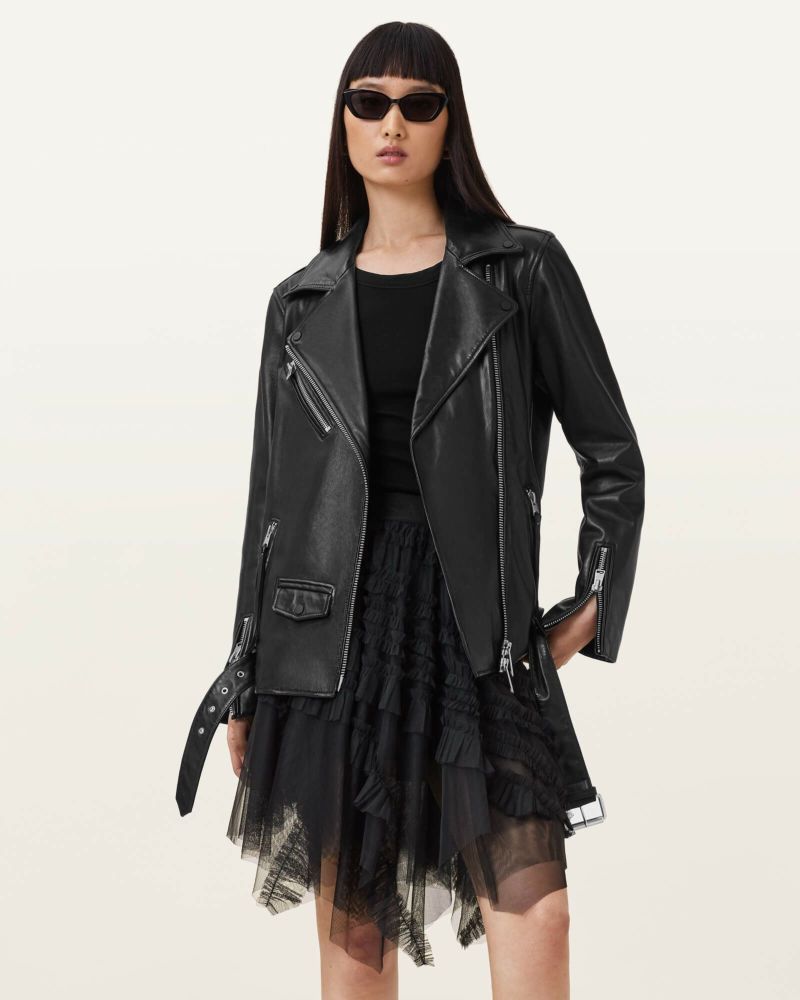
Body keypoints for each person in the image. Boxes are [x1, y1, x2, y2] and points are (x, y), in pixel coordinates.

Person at [176, 20, 645, 999]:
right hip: (332, 633)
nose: (392, 123)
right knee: (356, 937)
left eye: (418, 104)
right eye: (370, 102)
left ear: (448, 123)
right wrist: (244, 669)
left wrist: (594, 601)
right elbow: (271, 510)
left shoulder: (520, 269)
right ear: (343, 122)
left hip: (477, 627)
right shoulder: (300, 302)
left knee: (536, 911)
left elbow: (610, 453)